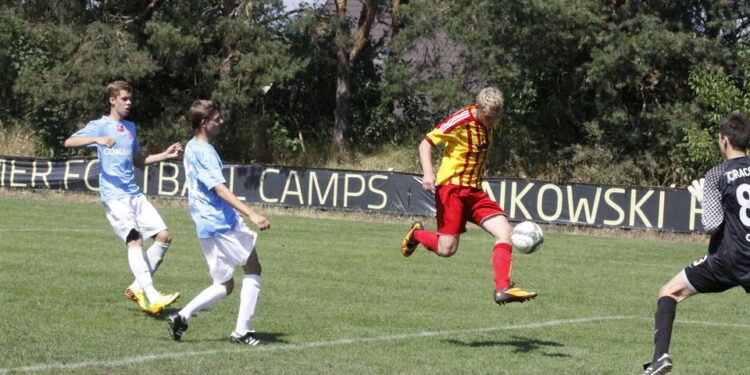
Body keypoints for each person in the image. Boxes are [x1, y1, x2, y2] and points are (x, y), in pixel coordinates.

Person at [400, 86, 537, 305]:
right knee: (447, 250)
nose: (492, 123)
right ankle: (417, 235)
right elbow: (425, 143)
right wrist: (428, 172)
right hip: (451, 190)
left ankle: (503, 288)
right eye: (489, 118)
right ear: (479, 108)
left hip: (474, 190)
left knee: (505, 232)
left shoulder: (491, 117)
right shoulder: (460, 121)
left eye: (495, 118)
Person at [641, 113, 750, 375]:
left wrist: (705, 200)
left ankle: (660, 358)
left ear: (724, 140)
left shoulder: (717, 175)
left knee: (669, 291)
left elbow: (711, 224)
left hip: (728, 259)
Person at [63, 80, 181, 315]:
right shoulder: (99, 125)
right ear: (112, 100)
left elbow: (138, 160)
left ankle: (136, 288)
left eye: (130, 99)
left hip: (134, 194)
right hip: (115, 197)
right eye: (124, 99)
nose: (129, 103)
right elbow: (69, 141)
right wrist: (96, 139)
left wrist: (165, 155)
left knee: (164, 236)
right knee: (135, 239)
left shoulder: (131, 127)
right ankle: (151, 295)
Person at [167, 100, 270, 346]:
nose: (221, 122)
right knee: (253, 269)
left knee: (225, 284)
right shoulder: (204, 151)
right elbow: (220, 189)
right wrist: (251, 213)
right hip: (221, 223)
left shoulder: (191, 147)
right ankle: (242, 332)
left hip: (204, 225)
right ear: (204, 122)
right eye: (217, 118)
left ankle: (182, 316)